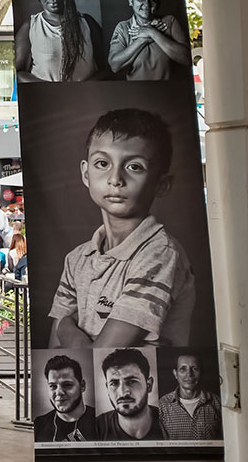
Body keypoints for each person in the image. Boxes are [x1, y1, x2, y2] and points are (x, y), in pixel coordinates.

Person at [49, 109, 195, 348]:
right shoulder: (76, 259)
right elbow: (54, 355)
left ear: (161, 184)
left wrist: (66, 327)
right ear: (86, 173)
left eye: (135, 167)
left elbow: (102, 357)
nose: (115, 179)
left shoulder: (159, 254)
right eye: (102, 163)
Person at [14, 0, 103, 82]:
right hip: (47, 93)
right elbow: (18, 73)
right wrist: (52, 89)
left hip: (85, 92)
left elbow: (107, 68)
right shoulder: (30, 27)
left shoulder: (87, 23)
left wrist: (83, 87)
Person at [108, 0, 191, 80]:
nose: (147, 4)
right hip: (136, 88)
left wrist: (153, 33)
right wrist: (143, 39)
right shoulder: (123, 27)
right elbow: (114, 66)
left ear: (158, 4)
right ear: (131, 1)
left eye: (152, 0)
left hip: (168, 88)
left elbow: (186, 59)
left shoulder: (170, 22)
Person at [95, 349, 165, 440]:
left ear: (149, 385)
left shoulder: (168, 421)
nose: (123, 392)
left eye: (132, 381)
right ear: (107, 388)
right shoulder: (97, 427)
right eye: (114, 383)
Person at [158, 350, 222, 440]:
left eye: (194, 368)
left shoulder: (217, 402)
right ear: (175, 373)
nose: (189, 374)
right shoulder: (163, 405)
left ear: (201, 372)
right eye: (183, 369)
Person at [33, 354, 97, 442]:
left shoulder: (100, 421)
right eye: (53, 386)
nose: (59, 392)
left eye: (67, 385)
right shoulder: (38, 425)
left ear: (82, 386)